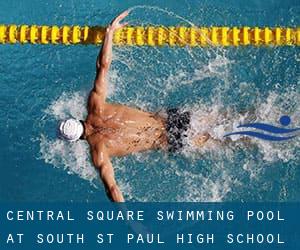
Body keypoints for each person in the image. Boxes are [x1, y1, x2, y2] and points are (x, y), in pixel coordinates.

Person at [58, 11, 210, 202]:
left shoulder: (99, 152)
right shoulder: (95, 105)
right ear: (76, 119)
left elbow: (112, 189)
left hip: (171, 140)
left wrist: (132, 223)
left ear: (76, 140)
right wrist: (109, 33)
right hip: (172, 118)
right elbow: (103, 66)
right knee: (226, 118)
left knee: (228, 140)